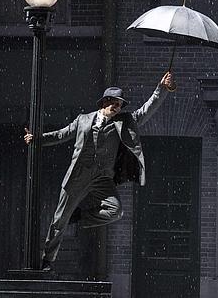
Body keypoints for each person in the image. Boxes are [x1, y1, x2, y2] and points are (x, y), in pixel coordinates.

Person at [24, 71, 174, 271]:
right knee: (59, 220)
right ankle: (47, 260)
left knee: (116, 211)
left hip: (103, 178)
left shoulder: (124, 122)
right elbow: (61, 134)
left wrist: (162, 88)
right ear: (104, 102)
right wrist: (37, 139)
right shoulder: (83, 120)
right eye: (114, 102)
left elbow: (146, 110)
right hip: (78, 175)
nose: (117, 107)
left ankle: (80, 217)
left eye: (120, 104)